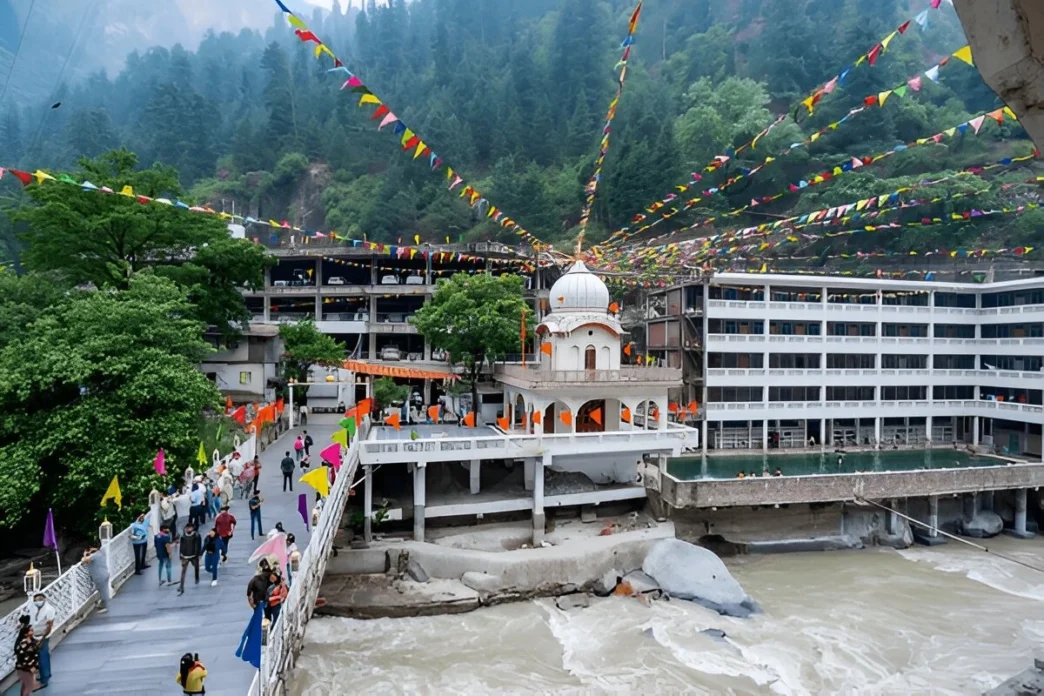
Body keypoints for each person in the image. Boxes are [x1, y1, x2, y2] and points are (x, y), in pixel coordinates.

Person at [29, 592, 55, 688]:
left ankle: (45, 679)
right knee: (39, 656)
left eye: (40, 599)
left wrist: (42, 640)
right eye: (36, 600)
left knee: (43, 656)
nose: (38, 601)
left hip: (44, 636)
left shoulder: (49, 610)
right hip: (34, 635)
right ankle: (45, 675)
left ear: (44, 599)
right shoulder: (32, 608)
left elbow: (49, 626)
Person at [13, 616, 38, 696]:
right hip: (26, 667)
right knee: (27, 687)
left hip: (29, 666)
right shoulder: (24, 643)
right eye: (30, 630)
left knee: (26, 686)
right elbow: (22, 656)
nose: (32, 631)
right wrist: (30, 667)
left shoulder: (31, 641)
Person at [83, 546, 111, 612]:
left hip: (100, 576)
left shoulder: (94, 556)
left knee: (103, 592)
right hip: (105, 574)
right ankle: (102, 604)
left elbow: (84, 560)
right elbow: (88, 562)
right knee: (103, 590)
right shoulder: (102, 554)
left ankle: (105, 607)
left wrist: (85, 554)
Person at [177, 523, 203, 595]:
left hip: (194, 555)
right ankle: (181, 586)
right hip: (185, 556)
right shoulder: (183, 536)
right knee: (183, 572)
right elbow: (181, 546)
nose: (188, 529)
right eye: (187, 528)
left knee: (196, 567)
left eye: (190, 528)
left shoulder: (197, 536)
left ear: (192, 528)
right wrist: (180, 555)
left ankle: (197, 578)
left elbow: (199, 546)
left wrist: (198, 554)